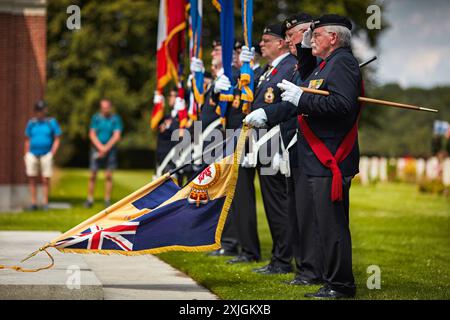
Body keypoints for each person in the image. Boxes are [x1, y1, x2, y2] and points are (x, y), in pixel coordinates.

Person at [245, 14, 362, 298]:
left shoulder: (343, 62)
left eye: (317, 34)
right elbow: (310, 80)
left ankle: (341, 285)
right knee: (321, 224)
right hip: (316, 157)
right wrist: (308, 47)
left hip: (330, 155)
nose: (312, 39)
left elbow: (343, 105)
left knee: (332, 226)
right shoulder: (326, 63)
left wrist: (303, 99)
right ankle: (329, 279)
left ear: (333, 37)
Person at [228, 24, 296, 276]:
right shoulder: (270, 70)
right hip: (259, 143)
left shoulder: (290, 67)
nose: (261, 44)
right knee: (271, 203)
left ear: (281, 43)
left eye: (267, 40)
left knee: (278, 205)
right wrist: (240, 69)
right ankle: (278, 258)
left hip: (275, 143)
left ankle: (282, 259)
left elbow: (288, 108)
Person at [24, 100, 61, 211]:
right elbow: (27, 139)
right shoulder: (32, 123)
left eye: (42, 110)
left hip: (46, 154)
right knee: (32, 177)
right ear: (36, 111)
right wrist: (26, 154)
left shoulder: (51, 122)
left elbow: (57, 139)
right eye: (38, 110)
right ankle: (33, 202)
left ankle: (45, 202)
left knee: (45, 178)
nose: (40, 112)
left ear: (45, 110)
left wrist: (52, 153)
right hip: (32, 154)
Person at [85, 99, 123, 208]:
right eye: (103, 107)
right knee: (92, 174)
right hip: (96, 149)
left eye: (107, 107)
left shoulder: (115, 119)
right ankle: (90, 199)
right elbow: (92, 134)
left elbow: (116, 135)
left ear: (110, 107)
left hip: (110, 150)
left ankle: (107, 200)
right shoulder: (96, 118)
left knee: (108, 175)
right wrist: (100, 148)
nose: (105, 109)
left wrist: (106, 148)